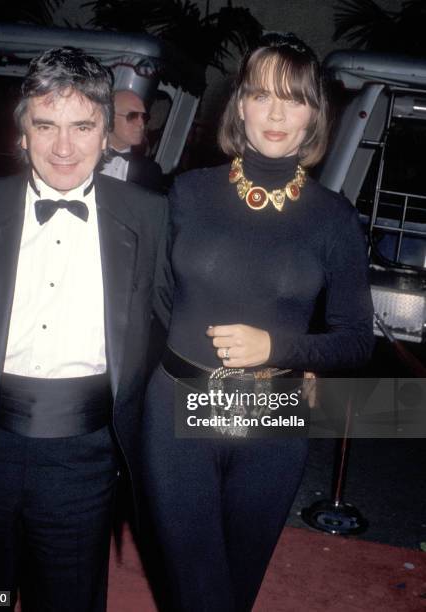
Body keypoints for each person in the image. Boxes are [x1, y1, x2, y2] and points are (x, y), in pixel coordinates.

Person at [141, 32, 375, 612]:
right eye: (262, 95)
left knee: (236, 590)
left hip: (276, 416)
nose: (276, 112)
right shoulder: (186, 193)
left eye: (293, 98)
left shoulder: (333, 218)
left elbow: (356, 342)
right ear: (239, 104)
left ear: (314, 114)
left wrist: (282, 347)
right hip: (180, 407)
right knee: (198, 591)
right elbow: (154, 301)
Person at [0, 47, 167, 611]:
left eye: (82, 127)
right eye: (46, 125)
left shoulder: (152, 217)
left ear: (105, 132)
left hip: (84, 460)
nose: (63, 148)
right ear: (22, 132)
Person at [101, 89, 164, 191]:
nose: (141, 124)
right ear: (109, 118)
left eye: (144, 117)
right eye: (132, 116)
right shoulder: (84, 155)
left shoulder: (150, 171)